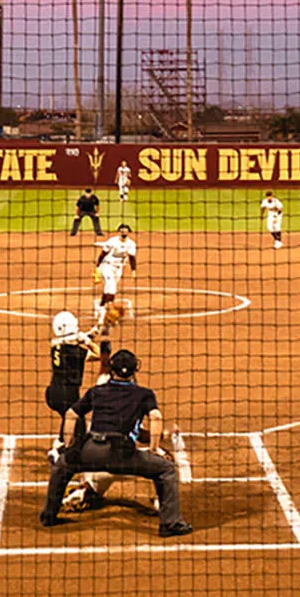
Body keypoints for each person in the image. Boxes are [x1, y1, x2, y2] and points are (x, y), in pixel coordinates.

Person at [40, 348, 192, 537]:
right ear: (135, 370)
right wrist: (154, 449)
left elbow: (71, 414)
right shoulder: (144, 394)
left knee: (62, 466)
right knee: (166, 469)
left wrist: (70, 446)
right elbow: (155, 417)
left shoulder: (97, 391)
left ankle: (49, 516)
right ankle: (170, 523)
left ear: (113, 371)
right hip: (122, 454)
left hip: (91, 451)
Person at [44, 311, 96, 437]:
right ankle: (63, 449)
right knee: (78, 426)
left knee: (68, 419)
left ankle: (58, 446)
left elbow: (71, 342)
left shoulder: (55, 345)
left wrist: (91, 333)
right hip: (68, 394)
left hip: (53, 392)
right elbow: (99, 354)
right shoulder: (78, 353)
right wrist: (87, 341)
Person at [91, 224, 140, 358]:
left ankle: (102, 305)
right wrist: (97, 268)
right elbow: (103, 254)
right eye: (121, 229)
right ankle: (107, 315)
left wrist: (133, 270)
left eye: (126, 230)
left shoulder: (131, 244)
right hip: (107, 266)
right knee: (111, 288)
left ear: (128, 232)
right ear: (119, 231)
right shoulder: (112, 241)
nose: (124, 232)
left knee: (110, 288)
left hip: (118, 268)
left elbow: (132, 258)